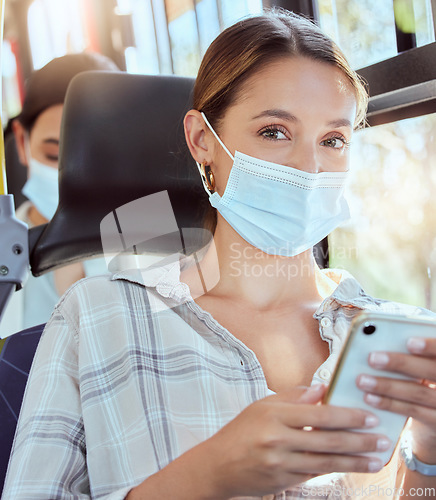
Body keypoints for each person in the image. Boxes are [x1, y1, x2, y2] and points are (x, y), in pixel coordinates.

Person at [3, 10, 436, 499]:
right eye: (275, 131)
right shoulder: (100, 317)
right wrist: (209, 474)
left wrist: (428, 457)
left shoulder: (405, 341)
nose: (310, 168)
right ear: (202, 140)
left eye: (333, 140)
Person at [0, 53, 119, 336]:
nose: (72, 176)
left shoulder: (162, 247)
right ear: (20, 140)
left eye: (96, 157)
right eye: (54, 155)